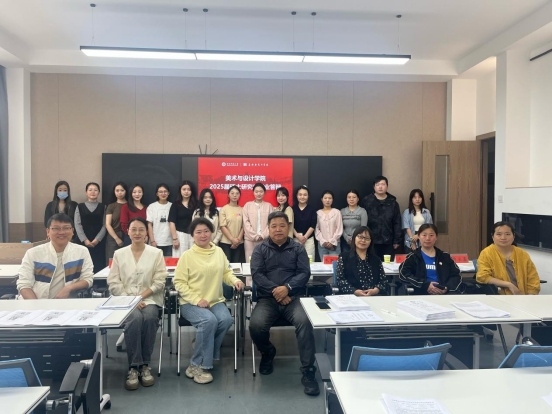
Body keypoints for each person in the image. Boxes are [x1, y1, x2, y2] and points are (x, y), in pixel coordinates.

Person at [249, 211, 319, 396]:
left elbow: (304, 273)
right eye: (274, 226)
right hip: (267, 300)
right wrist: (278, 291)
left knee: (305, 322)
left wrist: (287, 288)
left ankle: (308, 370)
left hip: (293, 299)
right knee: (255, 325)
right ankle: (267, 352)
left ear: (288, 227)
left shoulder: (298, 248)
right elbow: (257, 275)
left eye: (282, 226)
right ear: (268, 228)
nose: (278, 229)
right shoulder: (260, 249)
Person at [174, 218, 245, 385]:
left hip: (214, 300)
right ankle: (197, 365)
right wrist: (197, 299)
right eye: (198, 232)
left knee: (226, 320)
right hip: (191, 303)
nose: (203, 235)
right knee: (208, 321)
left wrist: (235, 280)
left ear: (211, 232)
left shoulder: (218, 252)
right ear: (192, 235)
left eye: (206, 231)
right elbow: (179, 283)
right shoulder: (187, 256)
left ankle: (203, 345)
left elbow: (226, 272)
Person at [107, 217, 166, 390]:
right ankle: (134, 366)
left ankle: (145, 365)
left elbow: (160, 281)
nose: (137, 233)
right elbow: (113, 282)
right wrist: (131, 299)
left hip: (149, 298)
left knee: (150, 317)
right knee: (135, 319)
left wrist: (140, 297)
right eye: (134, 229)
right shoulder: (119, 254)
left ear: (146, 233)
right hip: (125, 299)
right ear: (128, 232)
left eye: (141, 229)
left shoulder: (156, 253)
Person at [17, 213, 94, 299]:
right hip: (36, 301)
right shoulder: (33, 253)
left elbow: (88, 279)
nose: (61, 232)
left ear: (72, 231)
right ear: (48, 232)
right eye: (56, 228)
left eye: (66, 228)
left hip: (66, 304)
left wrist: (68, 288)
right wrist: (36, 305)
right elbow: (24, 285)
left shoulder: (82, 252)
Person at [476, 221, 540, 295]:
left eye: (507, 234)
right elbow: (482, 277)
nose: (503, 238)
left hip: (523, 296)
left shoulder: (522, 254)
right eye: (499, 234)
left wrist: (529, 297)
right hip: (498, 296)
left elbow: (533, 279)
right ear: (492, 236)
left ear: (513, 236)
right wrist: (508, 284)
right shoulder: (487, 253)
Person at [398, 224, 462, 295]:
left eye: (431, 235)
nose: (428, 238)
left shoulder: (445, 257)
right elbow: (404, 274)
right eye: (424, 235)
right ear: (418, 236)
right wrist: (424, 285)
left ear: (436, 237)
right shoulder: (413, 257)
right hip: (420, 294)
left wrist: (447, 288)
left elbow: (456, 275)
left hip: (444, 294)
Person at [336, 226, 389, 296]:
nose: (363, 241)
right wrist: (354, 291)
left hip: (373, 297)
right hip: (351, 296)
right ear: (354, 238)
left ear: (370, 241)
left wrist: (375, 290)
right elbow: (340, 281)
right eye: (360, 237)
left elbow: (383, 281)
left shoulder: (376, 260)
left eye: (367, 238)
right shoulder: (344, 257)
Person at [362, 176, 401, 261]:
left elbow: (397, 222)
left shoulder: (393, 202)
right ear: (374, 187)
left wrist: (396, 240)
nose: (380, 187)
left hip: (388, 241)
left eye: (383, 184)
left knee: (388, 265)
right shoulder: (367, 201)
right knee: (372, 265)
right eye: (377, 184)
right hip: (371, 240)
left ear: (387, 186)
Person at [74, 182, 107, 273]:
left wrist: (97, 240)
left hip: (99, 241)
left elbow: (105, 225)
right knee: (83, 265)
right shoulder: (79, 206)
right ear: (86, 192)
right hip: (82, 241)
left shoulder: (103, 207)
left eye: (95, 190)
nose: (93, 192)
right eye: (90, 190)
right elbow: (77, 224)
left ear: (99, 192)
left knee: (98, 265)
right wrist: (85, 240)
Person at [242, 183, 273, 261]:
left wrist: (263, 235)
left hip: (265, 239)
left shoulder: (269, 206)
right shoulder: (247, 205)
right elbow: (246, 223)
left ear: (264, 192)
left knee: (264, 261)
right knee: (250, 261)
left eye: (261, 191)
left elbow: (271, 223)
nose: (259, 193)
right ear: (253, 193)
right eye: (256, 191)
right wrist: (254, 236)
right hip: (250, 240)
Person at [169, 181, 197, 257]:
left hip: (194, 235)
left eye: (188, 189)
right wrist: (175, 239)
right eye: (184, 189)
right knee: (180, 258)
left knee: (193, 257)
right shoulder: (175, 205)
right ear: (180, 191)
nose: (186, 191)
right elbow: (171, 222)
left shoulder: (197, 204)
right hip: (180, 235)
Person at [219, 185, 245, 264]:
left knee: (237, 266)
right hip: (225, 242)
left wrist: (238, 240)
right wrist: (232, 239)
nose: (234, 195)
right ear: (228, 195)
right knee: (226, 265)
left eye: (237, 193)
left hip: (239, 243)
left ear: (239, 195)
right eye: (232, 193)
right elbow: (222, 226)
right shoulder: (224, 209)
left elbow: (243, 226)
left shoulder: (242, 210)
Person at [315, 190, 343, 258]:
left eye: (330, 198)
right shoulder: (318, 213)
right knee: (323, 264)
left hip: (334, 244)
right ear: (322, 199)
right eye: (325, 198)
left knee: (335, 264)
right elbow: (316, 229)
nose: (327, 200)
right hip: (322, 245)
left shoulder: (337, 212)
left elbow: (339, 228)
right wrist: (323, 241)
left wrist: (332, 241)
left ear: (332, 200)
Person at [147, 183, 173, 257]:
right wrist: (152, 240)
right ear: (157, 194)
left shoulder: (172, 206)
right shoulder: (152, 207)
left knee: (168, 263)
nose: (163, 194)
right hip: (155, 242)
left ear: (168, 193)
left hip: (169, 242)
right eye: (160, 192)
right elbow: (149, 224)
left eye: (165, 191)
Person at [105, 181, 128, 262]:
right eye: (117, 190)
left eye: (122, 190)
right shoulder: (111, 206)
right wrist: (116, 238)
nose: (119, 193)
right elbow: (107, 224)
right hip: (113, 236)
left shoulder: (130, 205)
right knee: (112, 262)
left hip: (127, 235)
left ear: (126, 191)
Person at [292, 185, 317, 260]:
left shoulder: (312, 210)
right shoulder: (292, 209)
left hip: (308, 239)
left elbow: (313, 225)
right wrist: (298, 236)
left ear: (308, 196)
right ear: (297, 196)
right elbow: (290, 224)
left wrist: (305, 237)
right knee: (295, 260)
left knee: (309, 261)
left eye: (305, 195)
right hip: (295, 239)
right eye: (300, 194)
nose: (302, 197)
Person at [340, 189, 368, 254]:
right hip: (345, 241)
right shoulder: (342, 211)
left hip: (359, 240)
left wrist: (355, 238)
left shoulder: (362, 211)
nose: (351, 199)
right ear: (346, 199)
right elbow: (340, 227)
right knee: (346, 258)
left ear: (358, 199)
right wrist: (347, 238)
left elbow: (363, 227)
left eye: (354, 197)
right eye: (349, 197)